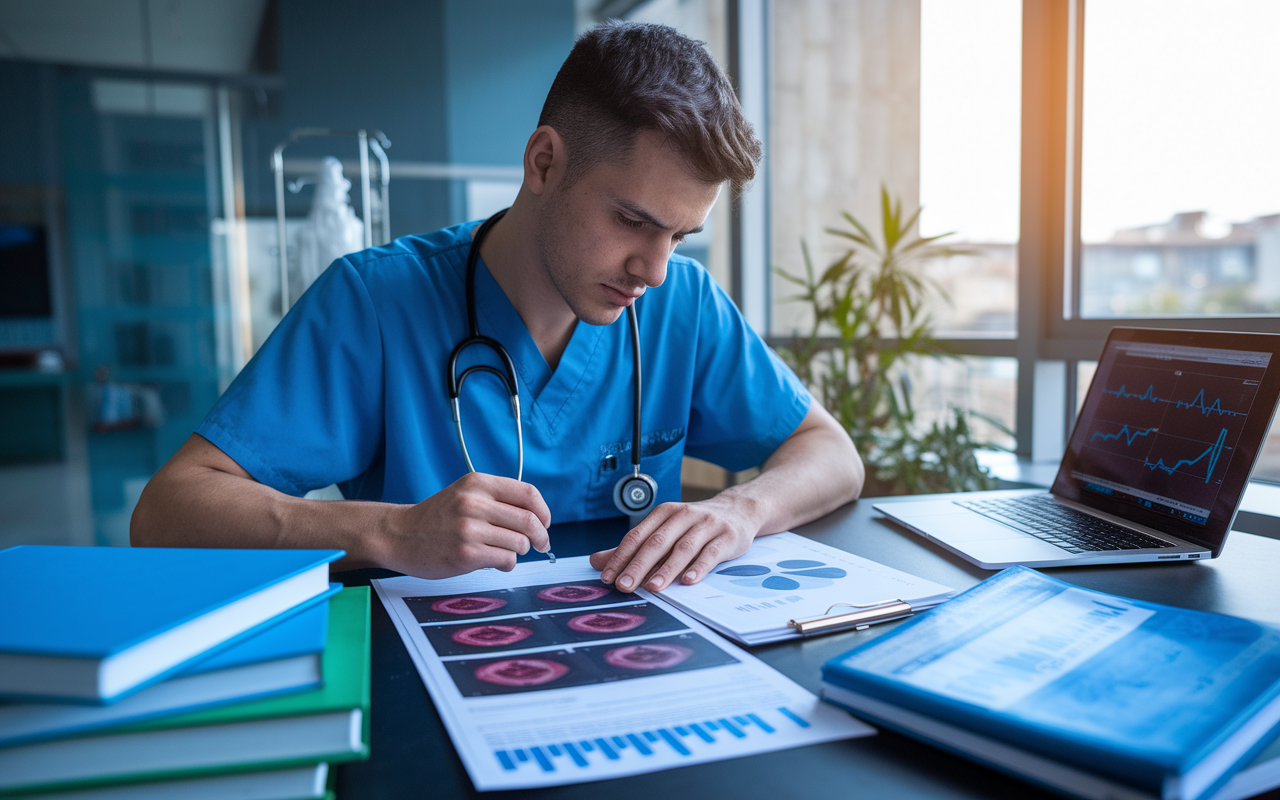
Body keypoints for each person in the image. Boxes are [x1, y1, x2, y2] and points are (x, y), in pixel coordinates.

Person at [131, 21, 863, 594]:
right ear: (543, 162)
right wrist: (391, 532)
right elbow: (166, 512)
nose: (655, 268)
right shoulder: (376, 302)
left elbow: (831, 454)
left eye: (681, 234)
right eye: (634, 221)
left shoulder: (686, 307)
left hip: (632, 667)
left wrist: (741, 512)